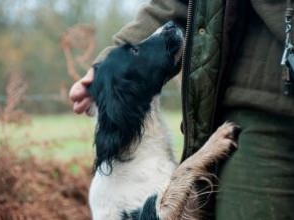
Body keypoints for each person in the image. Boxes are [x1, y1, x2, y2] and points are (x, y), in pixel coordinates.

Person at [69, 1, 294, 219]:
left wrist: (200, 160)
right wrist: (103, 70)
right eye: (135, 51)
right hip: (260, 111)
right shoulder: (114, 186)